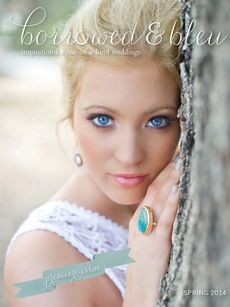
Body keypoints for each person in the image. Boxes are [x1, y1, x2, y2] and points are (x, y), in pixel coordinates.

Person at [4, 0, 183, 306]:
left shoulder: (185, 194)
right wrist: (142, 275)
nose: (129, 156)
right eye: (102, 119)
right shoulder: (41, 259)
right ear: (71, 113)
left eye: (157, 121)